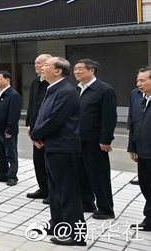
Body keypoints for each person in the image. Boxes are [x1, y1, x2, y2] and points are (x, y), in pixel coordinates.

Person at [30, 57, 85, 246]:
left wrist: (37, 135)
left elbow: (55, 120)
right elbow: (42, 116)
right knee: (54, 190)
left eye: (46, 66)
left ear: (58, 71)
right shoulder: (52, 89)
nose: (42, 68)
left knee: (68, 191)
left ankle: (76, 234)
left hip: (64, 147)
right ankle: (58, 224)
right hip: (52, 146)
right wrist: (38, 135)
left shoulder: (66, 92)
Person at [73, 58, 117, 220]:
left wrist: (105, 139)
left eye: (80, 69)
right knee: (81, 174)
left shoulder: (104, 90)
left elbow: (109, 117)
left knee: (98, 175)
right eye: (75, 69)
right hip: (78, 139)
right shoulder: (77, 90)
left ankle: (106, 208)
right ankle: (87, 203)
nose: (76, 72)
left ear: (91, 71)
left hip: (95, 141)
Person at [0, 71, 22, 186]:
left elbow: (14, 114)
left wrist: (10, 129)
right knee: (0, 153)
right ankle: (2, 174)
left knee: (11, 154)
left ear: (7, 80)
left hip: (7, 131)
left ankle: (12, 176)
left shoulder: (13, 95)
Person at [25, 54, 51, 200]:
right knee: (38, 160)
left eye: (39, 63)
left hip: (47, 129)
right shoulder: (36, 83)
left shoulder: (52, 84)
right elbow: (31, 105)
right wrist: (30, 124)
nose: (36, 66)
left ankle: (51, 191)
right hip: (35, 128)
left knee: (48, 161)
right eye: (35, 63)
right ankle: (43, 188)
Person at [128, 67, 151, 231]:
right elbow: (133, 125)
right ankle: (149, 219)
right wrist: (132, 147)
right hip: (143, 151)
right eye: (138, 80)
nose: (138, 84)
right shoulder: (139, 97)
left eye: (142, 80)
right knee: (146, 186)